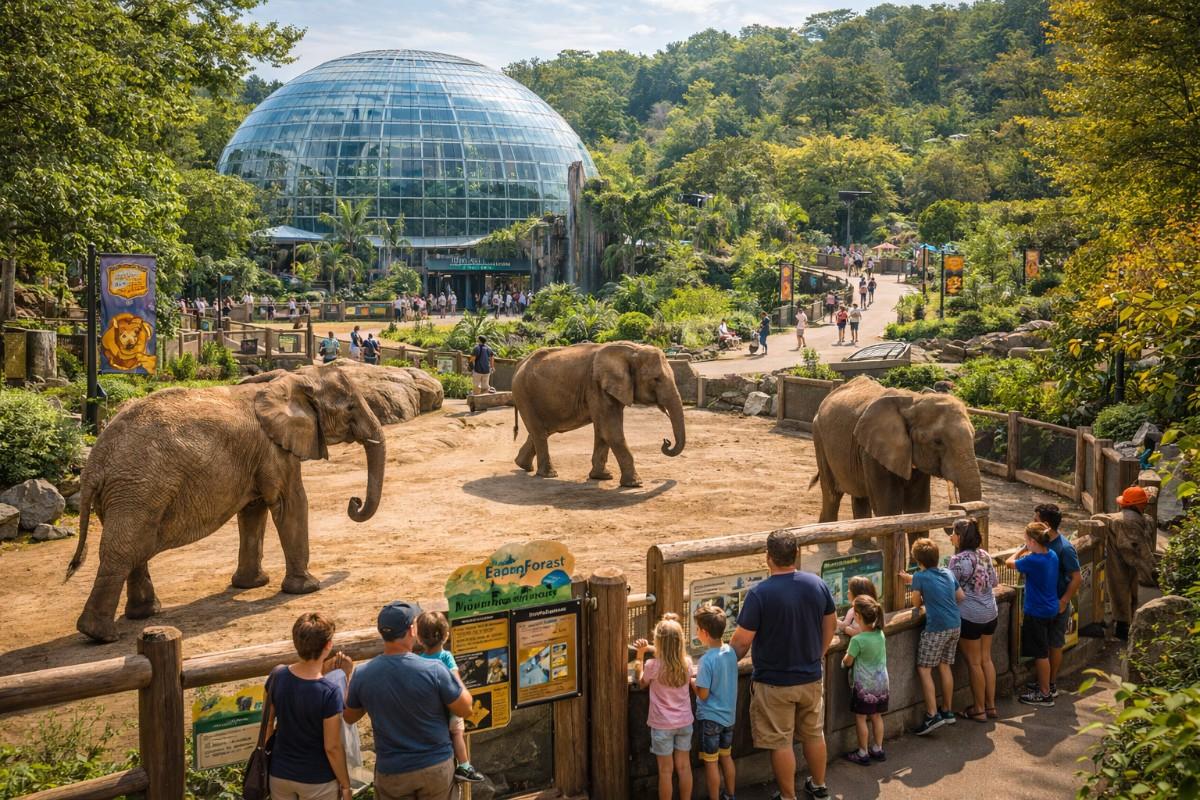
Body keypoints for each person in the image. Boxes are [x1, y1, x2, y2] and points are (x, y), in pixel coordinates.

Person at [729, 530, 837, 800]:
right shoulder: (816, 584)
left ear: (768, 558)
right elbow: (831, 624)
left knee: (780, 741)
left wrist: (720, 662)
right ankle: (820, 786)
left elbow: (741, 643)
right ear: (797, 554)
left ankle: (788, 796)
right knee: (814, 734)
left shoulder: (759, 594)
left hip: (774, 683)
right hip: (811, 677)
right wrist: (819, 654)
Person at [344, 601, 473, 800]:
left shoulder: (362, 673)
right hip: (435, 767)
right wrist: (453, 673)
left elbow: (350, 716)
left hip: (392, 772)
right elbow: (466, 708)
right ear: (412, 629)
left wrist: (349, 680)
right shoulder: (434, 670)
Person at [263, 612, 353, 800]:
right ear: (328, 645)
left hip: (279, 774)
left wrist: (267, 762)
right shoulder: (329, 692)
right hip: (317, 780)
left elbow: (268, 724)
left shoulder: (277, 675)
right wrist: (345, 785)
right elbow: (332, 747)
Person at [899, 538, 964, 735]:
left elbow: (916, 603)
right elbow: (961, 597)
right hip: (955, 624)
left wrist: (916, 585)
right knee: (945, 665)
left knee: (924, 669)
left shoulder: (920, 576)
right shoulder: (948, 572)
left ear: (917, 560)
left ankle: (931, 714)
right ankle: (947, 710)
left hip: (936, 627)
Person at [414, 612, 486, 784]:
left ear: (419, 638)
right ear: (446, 636)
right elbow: (455, 680)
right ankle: (464, 766)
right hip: (451, 707)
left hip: (432, 710)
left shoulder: (419, 660)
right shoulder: (446, 657)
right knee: (458, 733)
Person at [1023, 504, 1081, 698]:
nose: (1032, 521)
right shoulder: (1044, 543)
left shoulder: (1065, 548)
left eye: (1035, 519)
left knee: (1054, 645)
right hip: (1046, 604)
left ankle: (1049, 686)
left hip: (1057, 604)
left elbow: (1077, 578)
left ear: (1045, 524)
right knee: (1046, 646)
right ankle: (1045, 683)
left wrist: (1064, 601)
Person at [634, 615, 694, 800]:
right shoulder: (687, 664)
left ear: (657, 642)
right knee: (684, 767)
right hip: (684, 723)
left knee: (665, 772)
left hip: (662, 725)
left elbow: (641, 682)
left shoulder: (653, 665)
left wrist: (640, 655)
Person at [947, 518, 999, 721]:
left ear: (960, 537)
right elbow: (994, 582)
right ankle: (991, 706)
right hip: (990, 613)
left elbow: (950, 588)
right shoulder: (985, 554)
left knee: (974, 663)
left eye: (953, 533)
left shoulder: (957, 561)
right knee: (986, 659)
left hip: (970, 616)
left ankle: (978, 709)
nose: (951, 537)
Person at [1006, 523, 1060, 707]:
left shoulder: (1032, 560)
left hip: (1037, 611)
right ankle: (1047, 685)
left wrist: (1021, 550)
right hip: (1051, 608)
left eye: (1026, 540)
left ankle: (1044, 694)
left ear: (1032, 541)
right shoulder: (1051, 555)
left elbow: (1008, 563)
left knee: (1040, 653)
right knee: (1044, 649)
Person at [692, 605, 738, 800]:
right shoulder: (730, 652)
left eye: (696, 629)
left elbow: (703, 694)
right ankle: (731, 794)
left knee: (711, 762)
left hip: (710, 719)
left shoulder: (706, 660)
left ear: (703, 632)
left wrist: (692, 682)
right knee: (726, 757)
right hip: (728, 718)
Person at [1102, 486, 1158, 640]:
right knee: (1124, 590)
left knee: (1120, 589)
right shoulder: (1136, 521)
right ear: (1140, 505)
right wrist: (1155, 573)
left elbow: (1139, 550)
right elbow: (1141, 551)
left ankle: (1123, 625)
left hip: (1120, 560)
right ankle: (1124, 625)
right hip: (1125, 560)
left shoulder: (1125, 520)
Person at [840, 596, 889, 765]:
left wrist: (843, 661)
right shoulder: (880, 634)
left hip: (864, 687)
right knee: (877, 716)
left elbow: (848, 661)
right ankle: (878, 748)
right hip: (881, 684)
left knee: (861, 718)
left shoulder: (857, 640)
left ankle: (863, 752)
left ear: (858, 617)